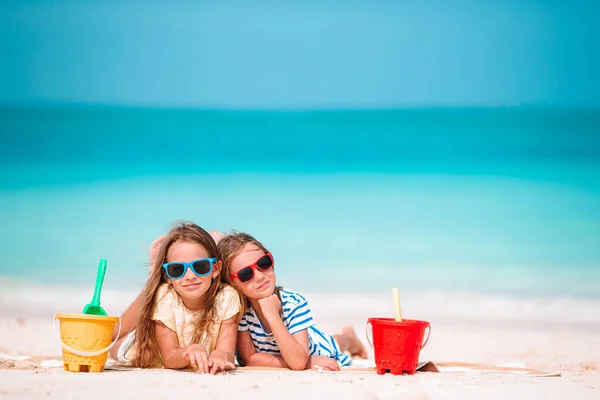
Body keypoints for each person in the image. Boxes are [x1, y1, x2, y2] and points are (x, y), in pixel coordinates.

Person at [218, 231, 368, 371]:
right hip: (300, 353)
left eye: (263, 263)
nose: (259, 276)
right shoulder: (240, 309)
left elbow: (297, 363)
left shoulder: (293, 302)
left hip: (315, 346)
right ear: (231, 283)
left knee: (334, 343)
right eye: (246, 274)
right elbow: (248, 359)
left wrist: (273, 316)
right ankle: (349, 337)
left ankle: (350, 338)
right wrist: (307, 361)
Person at [109, 222, 241, 374]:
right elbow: (169, 358)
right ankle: (153, 278)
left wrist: (221, 355)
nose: (190, 276)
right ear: (167, 277)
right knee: (114, 340)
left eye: (201, 266)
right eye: (177, 269)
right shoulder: (166, 296)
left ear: (216, 269)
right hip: (140, 347)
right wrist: (189, 352)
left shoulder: (227, 296)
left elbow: (227, 353)